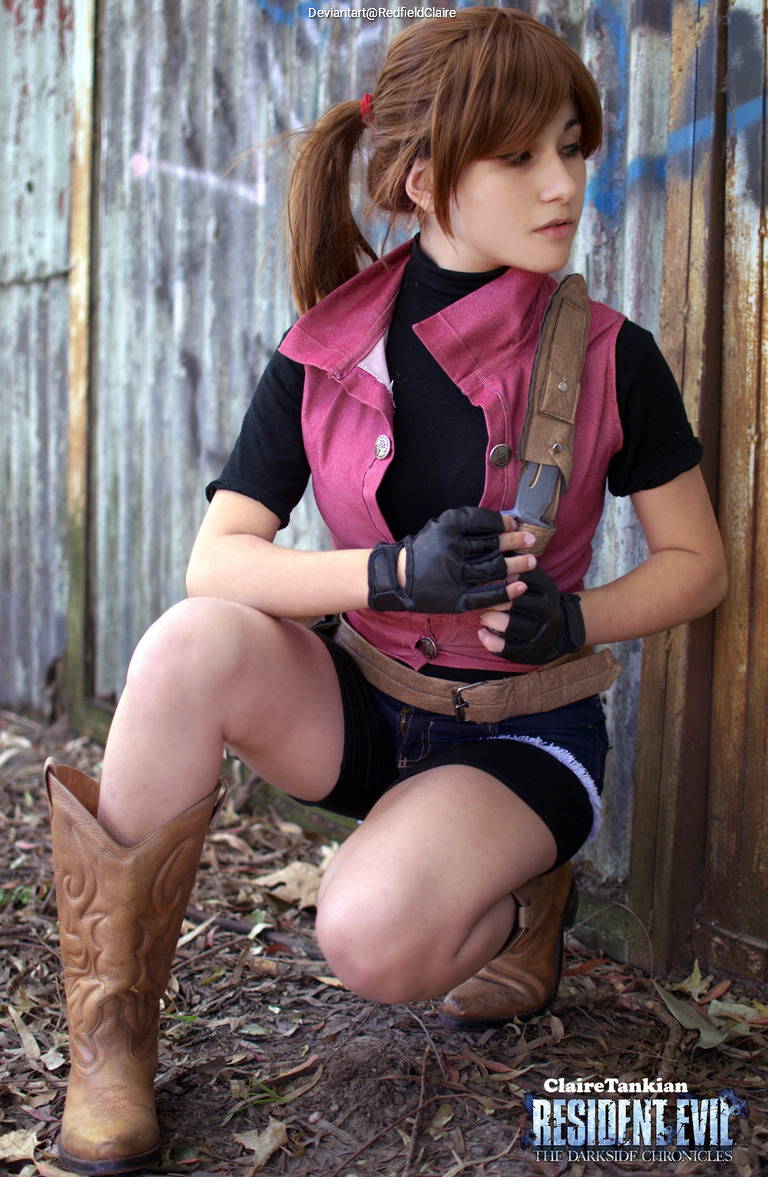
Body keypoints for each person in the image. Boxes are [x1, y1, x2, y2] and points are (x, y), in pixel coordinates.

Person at [44, 8, 727, 1174]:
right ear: (422, 177)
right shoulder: (324, 348)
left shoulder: (614, 353)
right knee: (186, 645)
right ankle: (111, 1038)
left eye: (573, 146)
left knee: (366, 939)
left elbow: (697, 565)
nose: (564, 183)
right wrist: (389, 572)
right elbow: (221, 559)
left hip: (521, 732)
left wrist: (581, 615)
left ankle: (523, 904)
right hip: (366, 699)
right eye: (521, 156)